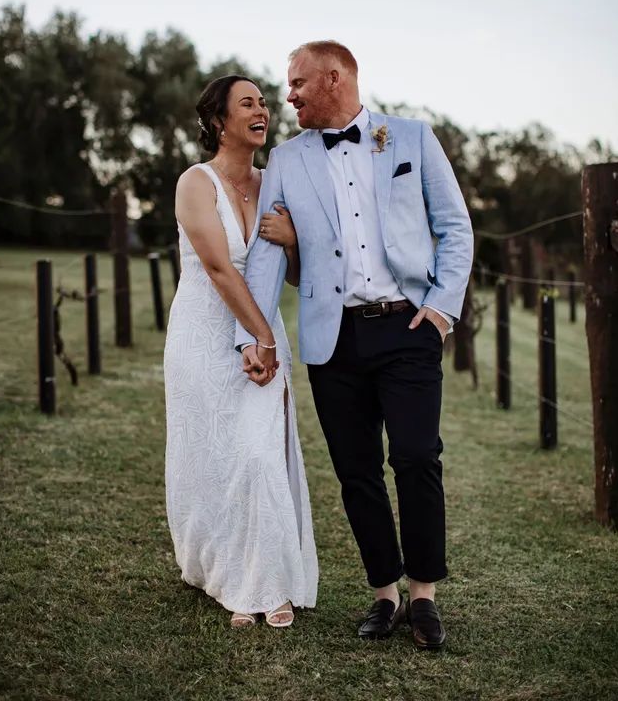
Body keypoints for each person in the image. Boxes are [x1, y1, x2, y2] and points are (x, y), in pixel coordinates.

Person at [237, 42, 473, 649]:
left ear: (333, 78)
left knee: (418, 457)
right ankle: (383, 595)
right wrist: (254, 335)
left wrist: (442, 309)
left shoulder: (414, 138)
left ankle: (424, 597)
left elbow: (454, 227)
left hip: (409, 327)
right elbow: (267, 252)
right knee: (356, 471)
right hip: (332, 336)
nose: (286, 95)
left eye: (295, 84)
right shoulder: (286, 161)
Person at [163, 75, 318, 630]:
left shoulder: (275, 182)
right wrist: (264, 338)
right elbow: (219, 268)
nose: (263, 111)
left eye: (264, 103)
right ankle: (223, 572)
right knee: (211, 457)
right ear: (218, 121)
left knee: (257, 453)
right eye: (247, 103)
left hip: (263, 339)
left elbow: (297, 274)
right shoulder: (194, 183)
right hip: (205, 336)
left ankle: (264, 581)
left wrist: (295, 242)